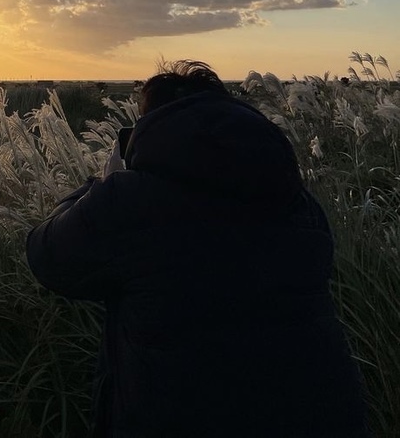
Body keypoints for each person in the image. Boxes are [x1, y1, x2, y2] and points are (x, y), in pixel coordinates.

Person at [25, 60, 369, 437]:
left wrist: (99, 184)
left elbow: (48, 257)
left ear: (151, 127)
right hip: (319, 415)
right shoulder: (296, 203)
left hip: (177, 417)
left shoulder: (129, 200)